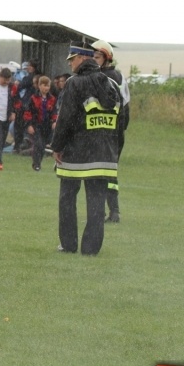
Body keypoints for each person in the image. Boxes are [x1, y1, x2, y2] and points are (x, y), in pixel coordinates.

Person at [52, 45, 123, 256]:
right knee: (97, 203)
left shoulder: (74, 84)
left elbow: (65, 118)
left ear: (82, 58)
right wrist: (115, 151)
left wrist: (57, 146)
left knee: (67, 199)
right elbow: (122, 121)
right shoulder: (112, 84)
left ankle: (69, 244)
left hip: (76, 153)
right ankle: (91, 249)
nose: (70, 64)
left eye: (72, 60)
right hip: (104, 154)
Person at [91, 40, 131, 223]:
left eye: (97, 56)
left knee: (103, 171)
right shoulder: (119, 76)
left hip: (107, 131)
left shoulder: (107, 78)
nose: (93, 59)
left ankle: (111, 211)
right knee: (109, 171)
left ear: (106, 58)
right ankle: (112, 210)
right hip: (116, 131)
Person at [23, 76, 56, 171]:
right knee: (39, 144)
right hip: (36, 125)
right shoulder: (33, 98)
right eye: (44, 85)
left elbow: (54, 112)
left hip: (47, 126)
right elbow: (28, 112)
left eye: (48, 86)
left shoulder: (52, 99)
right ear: (39, 86)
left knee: (44, 144)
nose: (46, 88)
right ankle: (36, 164)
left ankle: (39, 162)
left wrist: (54, 121)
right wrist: (29, 125)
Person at [14, 59, 40, 153]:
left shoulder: (30, 77)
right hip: (30, 104)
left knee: (20, 126)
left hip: (26, 105)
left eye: (29, 66)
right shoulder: (39, 76)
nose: (27, 67)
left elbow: (21, 86)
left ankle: (19, 146)